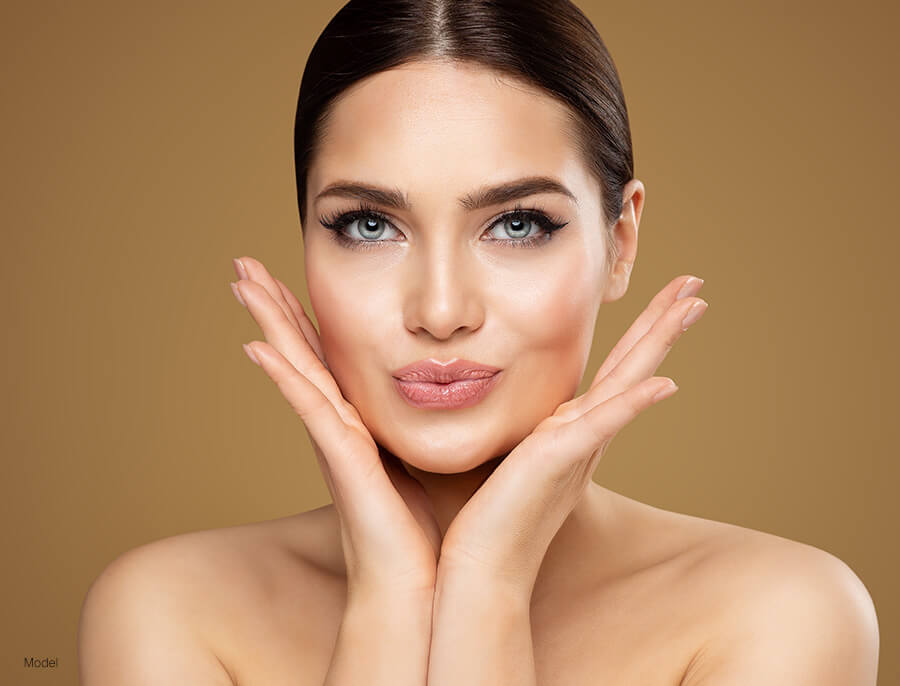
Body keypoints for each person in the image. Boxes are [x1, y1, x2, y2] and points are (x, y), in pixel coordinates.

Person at [77, 1, 879, 684]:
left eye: (518, 224)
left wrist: (487, 588)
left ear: (621, 241)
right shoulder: (170, 611)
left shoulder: (780, 614)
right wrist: (390, 597)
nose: (440, 309)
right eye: (368, 225)